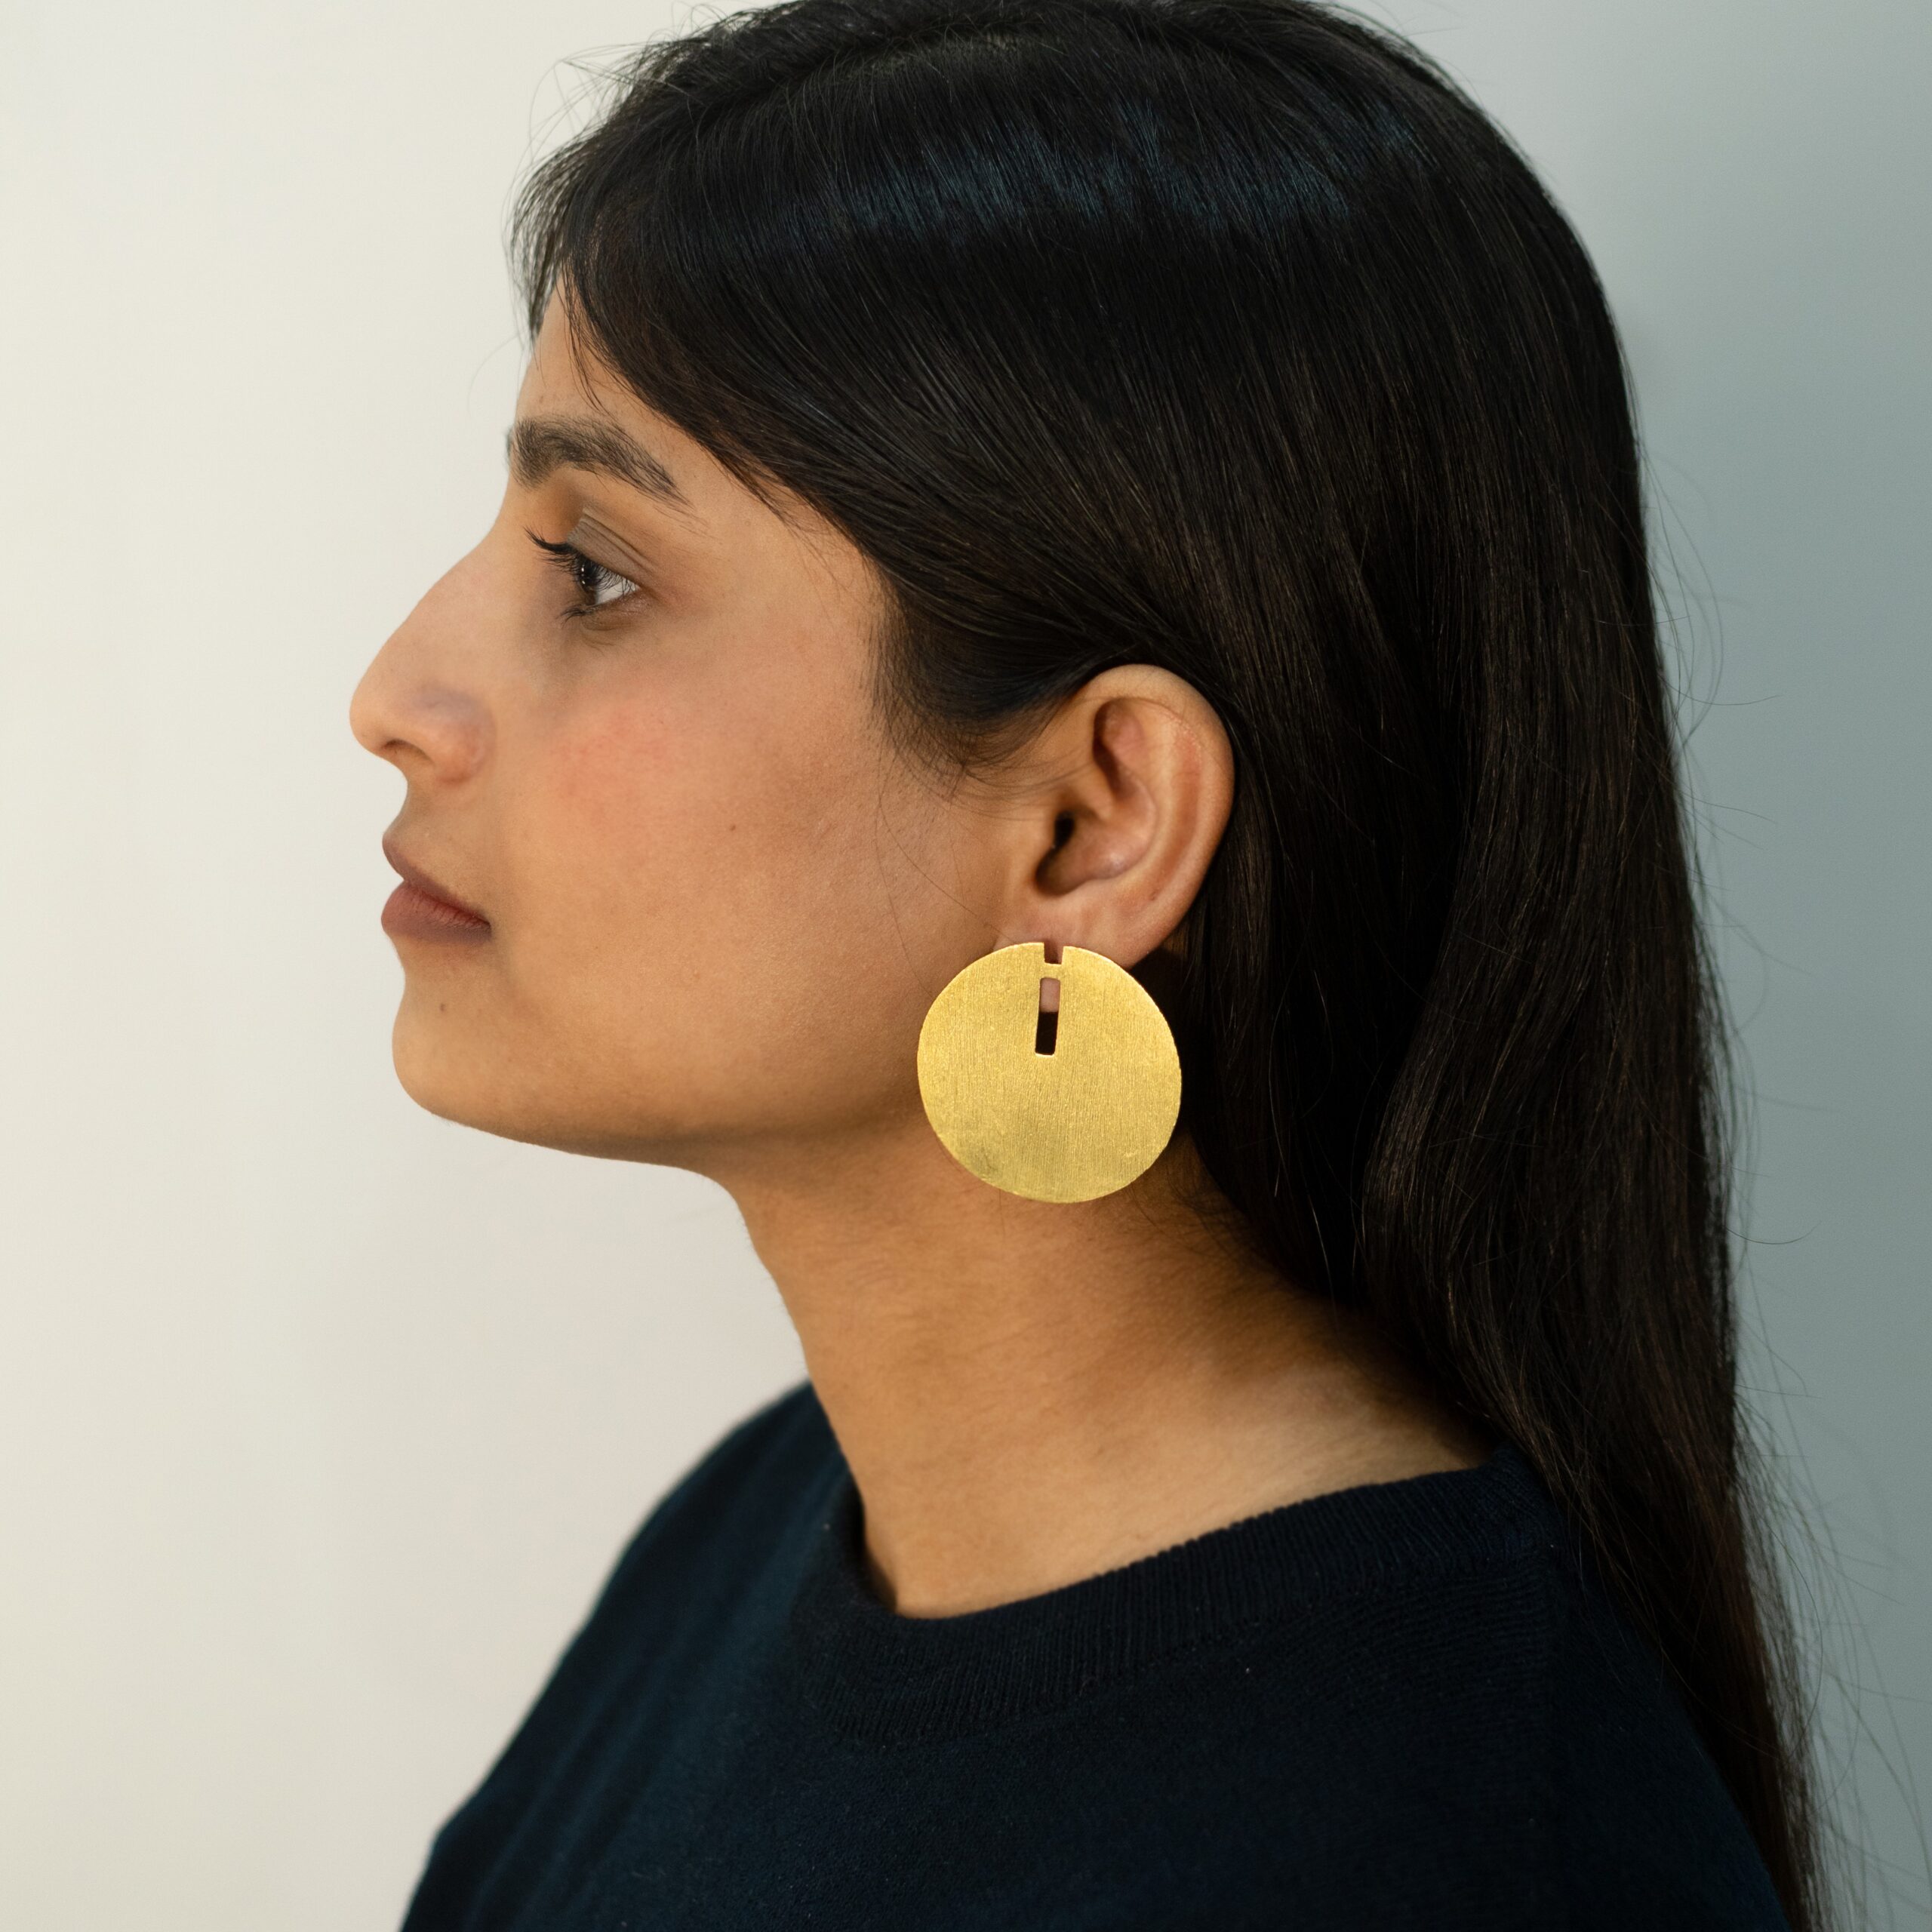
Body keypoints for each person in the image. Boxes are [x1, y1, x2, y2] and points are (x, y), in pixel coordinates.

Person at [349, 0, 1829, 1924]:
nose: (398, 695)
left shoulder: (1434, 1854)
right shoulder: (763, 1534)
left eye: (599, 573)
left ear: (1091, 822)